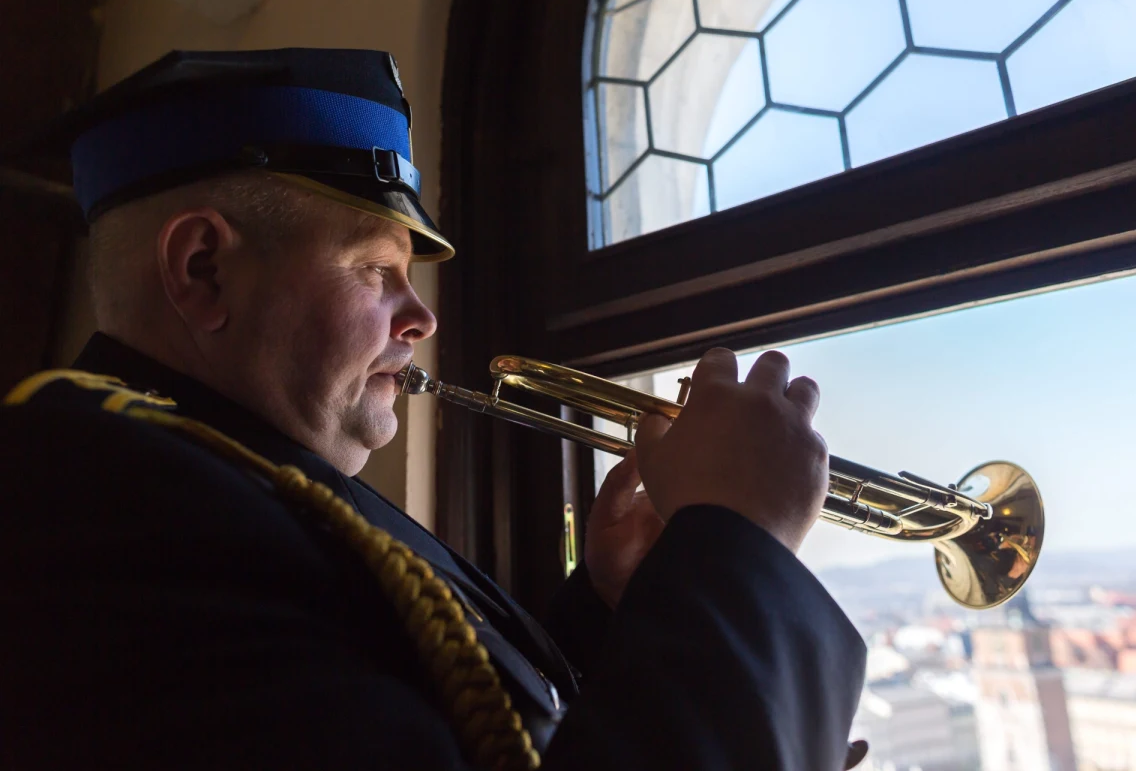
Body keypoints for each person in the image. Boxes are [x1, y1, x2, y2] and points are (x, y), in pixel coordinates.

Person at [0, 48, 866, 770]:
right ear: (203, 269)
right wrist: (735, 549)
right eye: (376, 269)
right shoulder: (100, 508)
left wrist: (612, 608)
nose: (422, 317)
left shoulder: (236, 480)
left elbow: (448, 721)